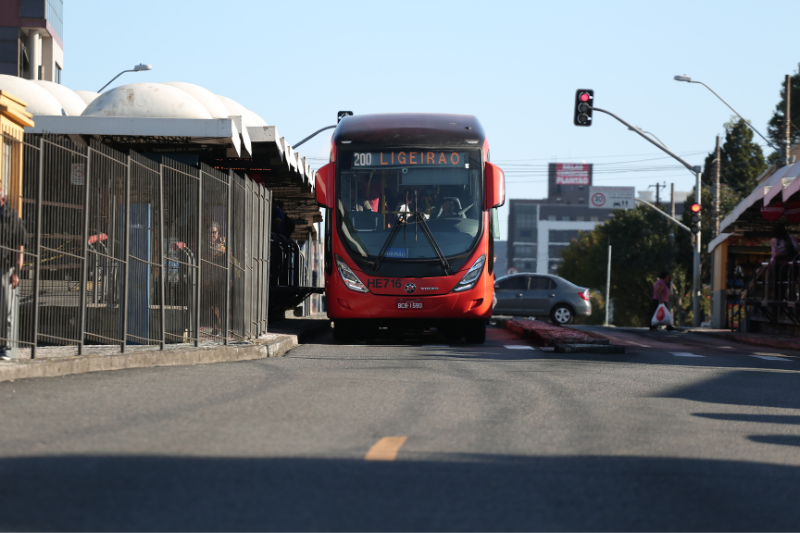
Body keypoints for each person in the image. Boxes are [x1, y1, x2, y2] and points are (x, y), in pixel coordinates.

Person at [0, 188, 27, 360]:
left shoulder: (12, 219)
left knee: (5, 309)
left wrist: (17, 272)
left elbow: (20, 248)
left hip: (4, 267)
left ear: (3, 199)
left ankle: (5, 346)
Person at [204, 221, 226, 336]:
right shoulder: (204, 245)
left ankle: (221, 326)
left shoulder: (223, 242)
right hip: (209, 279)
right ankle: (217, 326)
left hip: (222, 278)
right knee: (212, 304)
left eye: (214, 232)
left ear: (218, 232)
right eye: (209, 233)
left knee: (221, 304)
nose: (212, 235)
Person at [769, 224, 799, 299]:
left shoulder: (773, 240)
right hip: (788, 263)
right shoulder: (790, 237)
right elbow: (796, 248)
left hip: (776, 264)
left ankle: (778, 298)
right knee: (790, 281)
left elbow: (773, 253)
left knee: (778, 282)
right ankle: (792, 296)